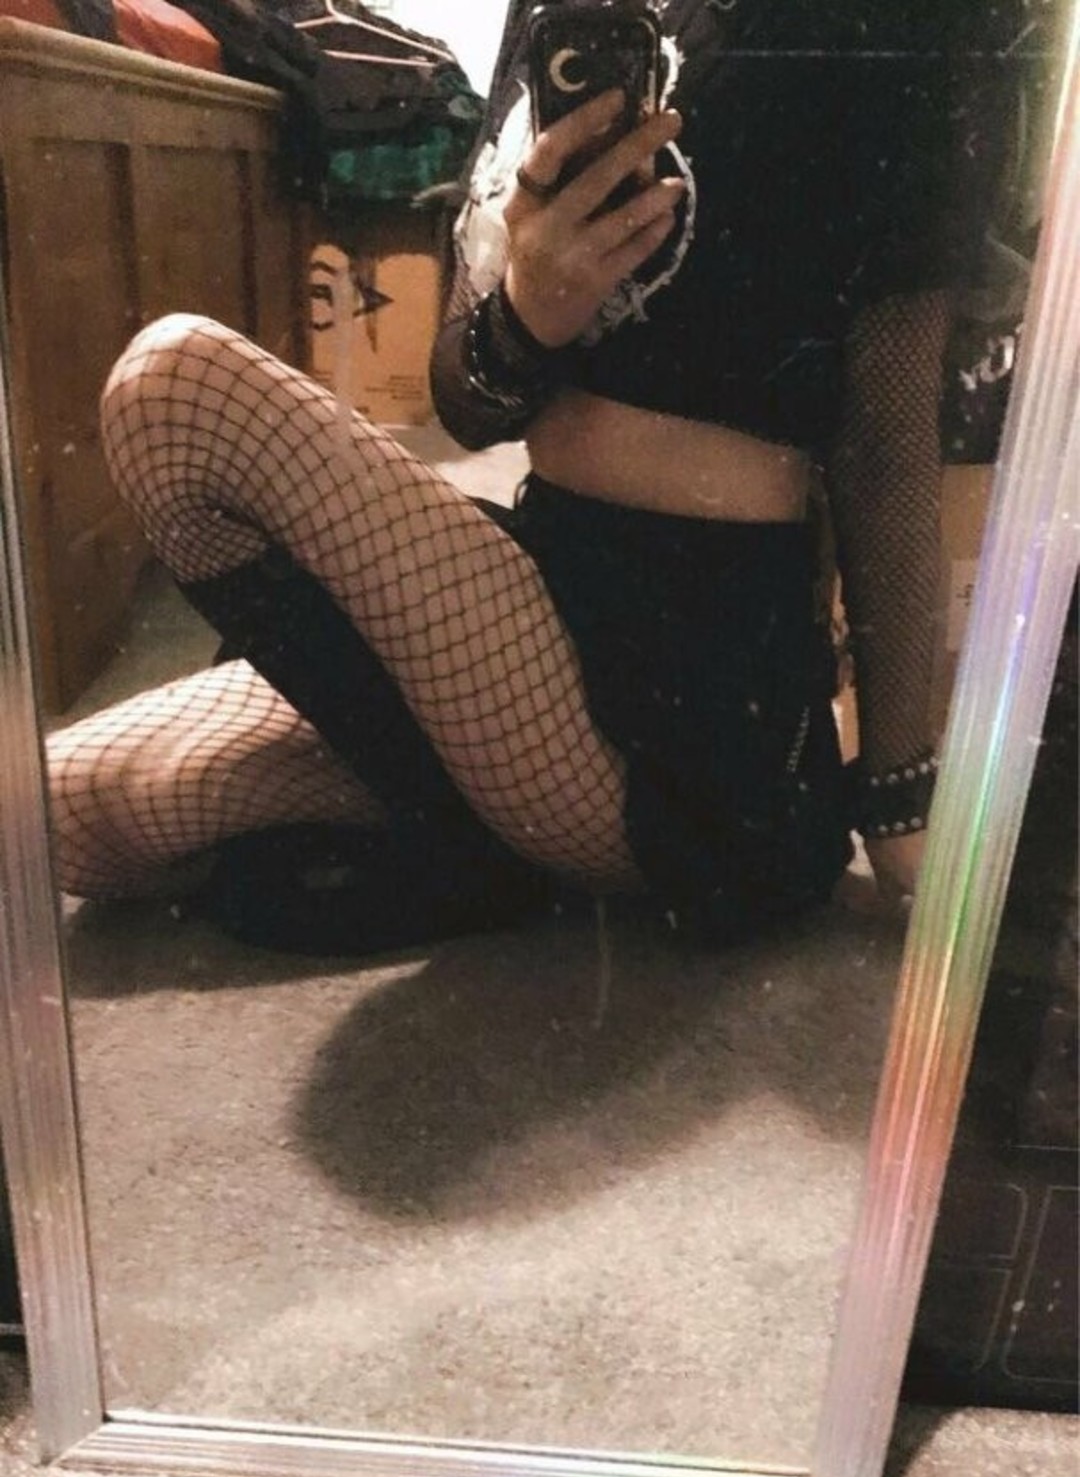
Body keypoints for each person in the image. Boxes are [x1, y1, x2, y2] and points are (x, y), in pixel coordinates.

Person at [46, 0, 1018, 949]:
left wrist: (899, 801)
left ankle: (484, 831)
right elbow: (466, 405)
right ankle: (477, 831)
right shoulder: (559, 18)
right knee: (61, 813)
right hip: (529, 597)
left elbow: (887, 442)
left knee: (176, 388)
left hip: (693, 706)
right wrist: (526, 316)